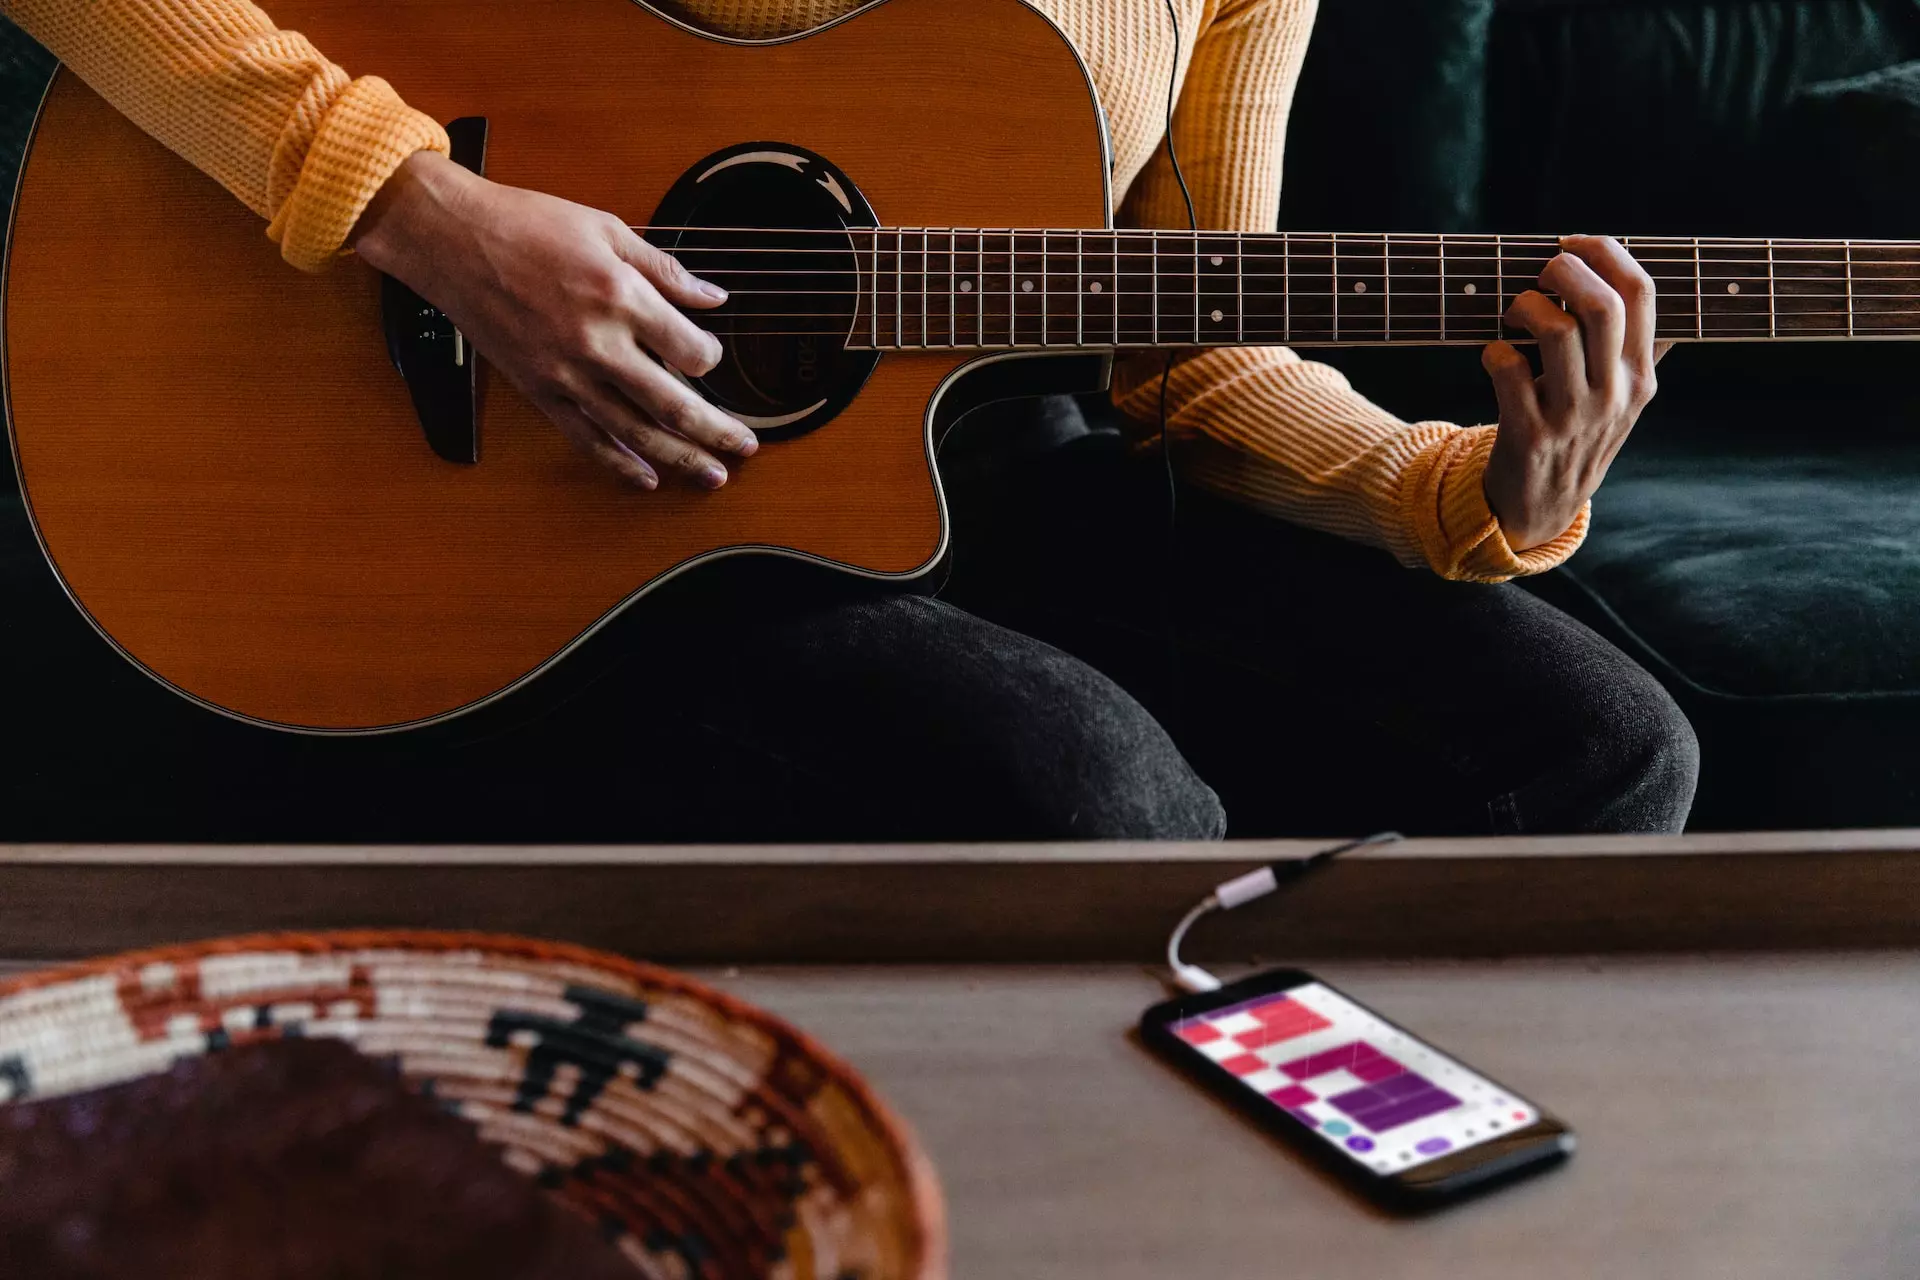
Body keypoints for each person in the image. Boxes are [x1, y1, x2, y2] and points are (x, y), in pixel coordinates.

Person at [0, 0, 1698, 841]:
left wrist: (1470, 482)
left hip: (975, 472)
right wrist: (420, 209)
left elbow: (1192, 350)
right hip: (591, 505)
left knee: (1607, 752)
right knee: (1098, 802)